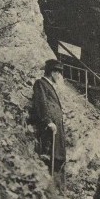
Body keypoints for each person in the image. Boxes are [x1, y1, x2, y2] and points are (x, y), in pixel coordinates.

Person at [32, 59, 66, 191]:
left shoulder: (50, 86)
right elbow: (41, 103)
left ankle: (58, 190)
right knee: (50, 157)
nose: (60, 76)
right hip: (49, 128)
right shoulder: (40, 83)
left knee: (59, 157)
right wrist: (48, 121)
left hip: (57, 127)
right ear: (52, 72)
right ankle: (49, 190)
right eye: (58, 73)